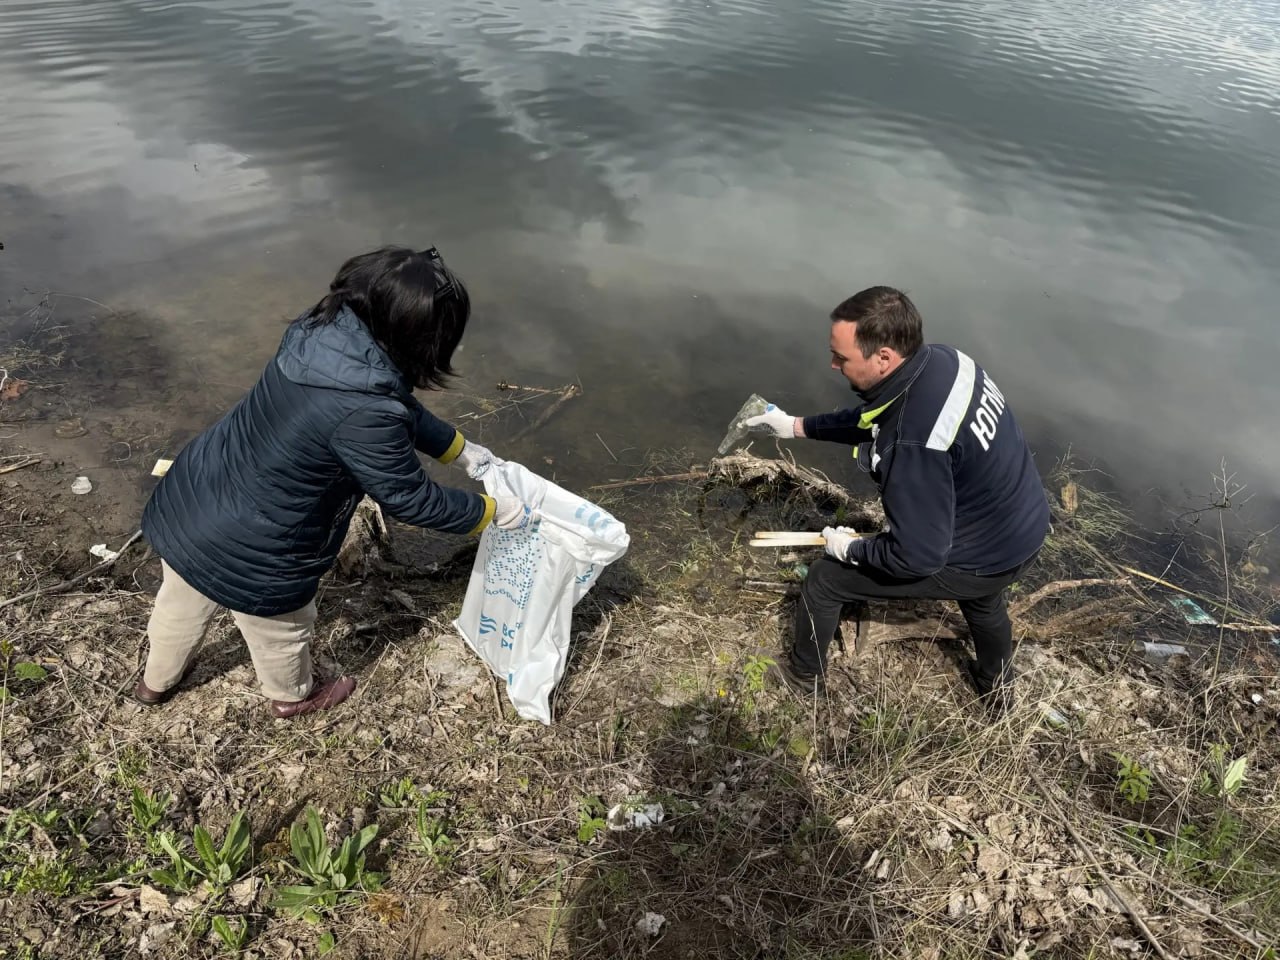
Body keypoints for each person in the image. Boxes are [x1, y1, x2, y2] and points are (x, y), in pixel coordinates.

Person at [135, 246, 529, 718]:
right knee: (282, 631)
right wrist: (491, 512)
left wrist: (458, 449)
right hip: (261, 547)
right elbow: (410, 498)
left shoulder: (319, 333)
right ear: (421, 338)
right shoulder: (366, 411)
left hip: (194, 500)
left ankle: (155, 683)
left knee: (179, 604)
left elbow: (392, 403)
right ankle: (292, 697)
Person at [745, 286, 1049, 710]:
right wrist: (797, 426)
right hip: (1023, 528)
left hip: (980, 552)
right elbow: (876, 416)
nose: (833, 365)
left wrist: (850, 549)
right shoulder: (945, 361)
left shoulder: (911, 442)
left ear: (884, 357)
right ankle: (997, 691)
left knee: (825, 581)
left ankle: (803, 678)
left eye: (841, 358)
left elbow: (917, 558)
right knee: (984, 600)